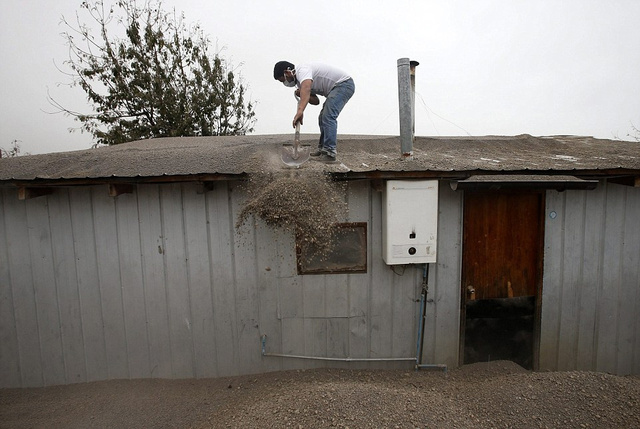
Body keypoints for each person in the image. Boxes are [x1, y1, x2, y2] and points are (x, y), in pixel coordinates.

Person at [273, 61, 355, 163]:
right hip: (338, 87)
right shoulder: (300, 82)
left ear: (287, 72)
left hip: (344, 84)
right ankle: (323, 150)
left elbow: (307, 89)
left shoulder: (302, 70)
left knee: (328, 116)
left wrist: (300, 111)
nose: (285, 83)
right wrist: (301, 94)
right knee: (322, 117)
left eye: (283, 80)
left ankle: (330, 153)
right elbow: (315, 101)